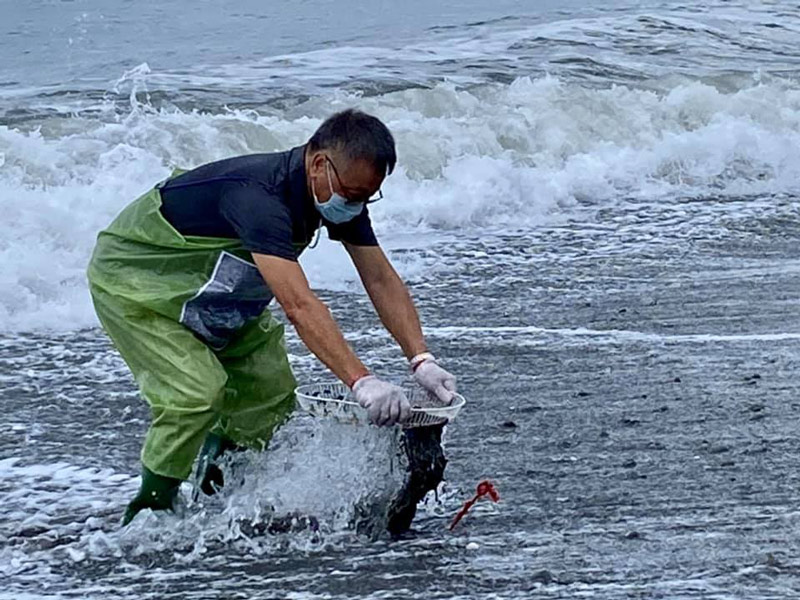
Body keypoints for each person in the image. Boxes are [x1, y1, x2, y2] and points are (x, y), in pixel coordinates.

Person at [86, 109, 457, 525]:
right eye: (352, 194)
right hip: (136, 282)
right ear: (319, 164)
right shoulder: (258, 197)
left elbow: (380, 278)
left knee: (269, 394)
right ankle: (150, 515)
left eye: (366, 198)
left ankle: (217, 491)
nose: (355, 206)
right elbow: (298, 305)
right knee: (196, 393)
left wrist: (420, 359)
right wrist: (361, 381)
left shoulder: (335, 194)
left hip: (217, 289)